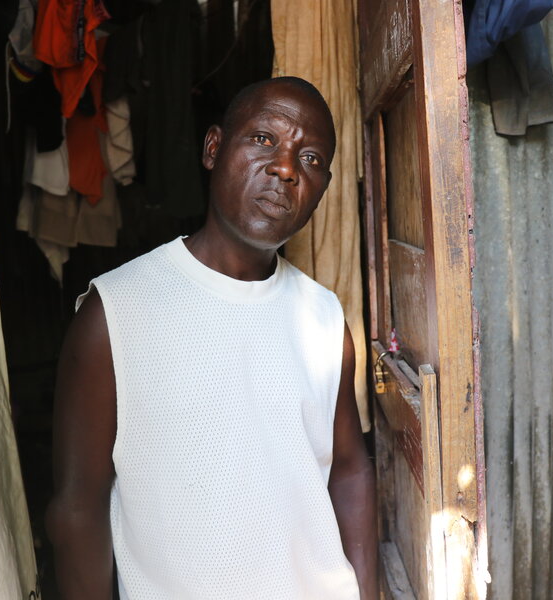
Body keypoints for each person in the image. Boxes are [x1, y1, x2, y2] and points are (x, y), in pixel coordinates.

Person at [46, 76, 377, 600]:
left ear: (322, 190)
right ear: (213, 148)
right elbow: (76, 510)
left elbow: (351, 470)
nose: (286, 169)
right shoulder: (115, 313)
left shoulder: (324, 318)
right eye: (264, 139)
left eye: (310, 159)